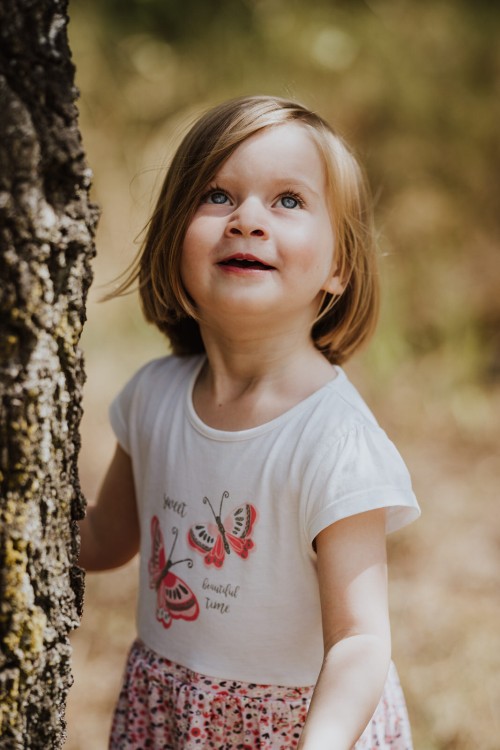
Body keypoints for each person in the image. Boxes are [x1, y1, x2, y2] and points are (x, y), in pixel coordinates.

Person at [79, 95, 421, 750]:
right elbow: (102, 540)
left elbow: (360, 638)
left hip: (300, 727)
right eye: (217, 195)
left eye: (288, 200)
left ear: (339, 267)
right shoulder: (153, 398)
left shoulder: (334, 441)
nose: (247, 220)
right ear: (174, 238)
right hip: (173, 718)